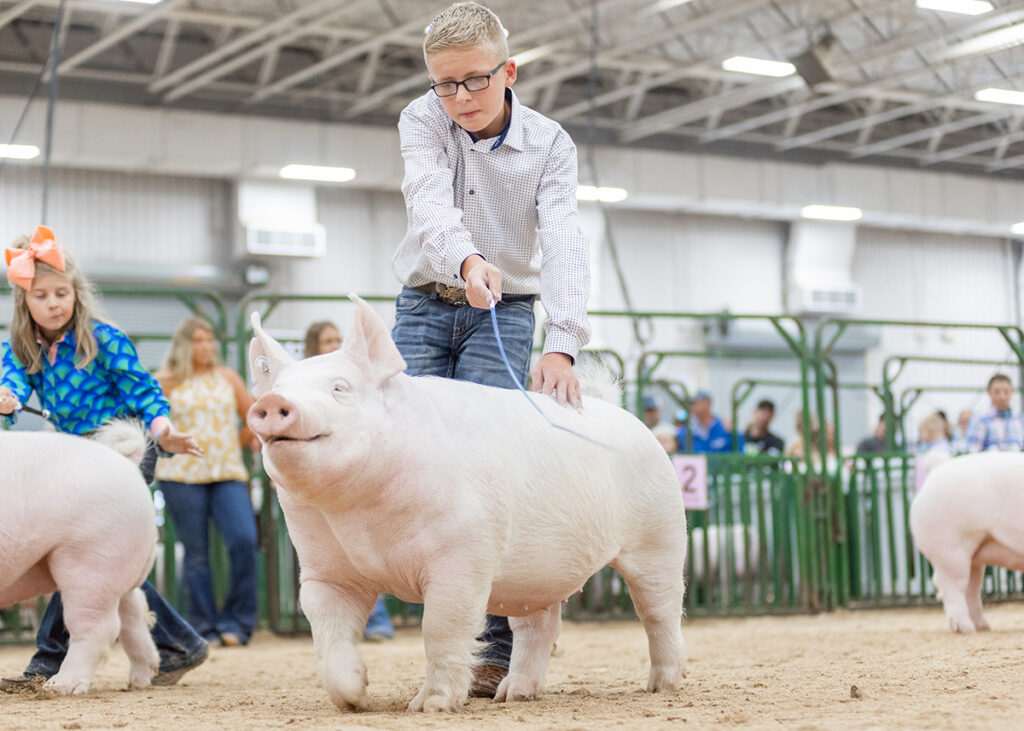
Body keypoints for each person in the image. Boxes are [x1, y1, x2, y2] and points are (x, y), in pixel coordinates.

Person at [391, 1, 591, 697]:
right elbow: (428, 204)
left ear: (509, 71)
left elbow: (564, 237)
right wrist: (468, 259)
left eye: (475, 80)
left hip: (506, 312)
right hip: (424, 300)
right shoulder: (422, 120)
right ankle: (431, 619)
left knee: (487, 468)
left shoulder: (551, 143)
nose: (460, 98)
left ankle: (495, 644)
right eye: (445, 84)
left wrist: (563, 341)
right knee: (409, 453)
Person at [0, 226, 209, 690]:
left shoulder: (105, 338)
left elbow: (144, 390)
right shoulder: (21, 345)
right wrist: (8, 397)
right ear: (24, 302)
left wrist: (164, 432)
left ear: (76, 294)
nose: (54, 303)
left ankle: (50, 661)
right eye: (42, 295)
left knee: (87, 555)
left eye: (62, 293)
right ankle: (178, 644)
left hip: (124, 446)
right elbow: (11, 378)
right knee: (106, 560)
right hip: (76, 461)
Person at [154, 318, 259, 648]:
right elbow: (153, 422)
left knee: (244, 541)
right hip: (181, 475)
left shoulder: (228, 377)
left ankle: (239, 622)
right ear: (185, 344)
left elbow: (254, 416)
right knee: (196, 554)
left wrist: (237, 439)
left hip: (227, 472)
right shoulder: (166, 381)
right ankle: (204, 626)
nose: (206, 346)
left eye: (210, 339)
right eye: (198, 340)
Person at [302, 319, 394, 642]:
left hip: (352, 480)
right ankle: (341, 628)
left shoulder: (351, 381)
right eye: (327, 340)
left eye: (336, 338)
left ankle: (378, 619)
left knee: (365, 548)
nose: (333, 344)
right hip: (314, 485)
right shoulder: (302, 379)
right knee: (330, 558)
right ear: (313, 345)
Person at [966, 373, 1024, 452]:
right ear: (989, 392)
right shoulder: (980, 420)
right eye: (997, 392)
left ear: (1012, 392)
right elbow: (972, 452)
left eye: (1006, 391)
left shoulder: (1020, 418)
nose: (1002, 396)